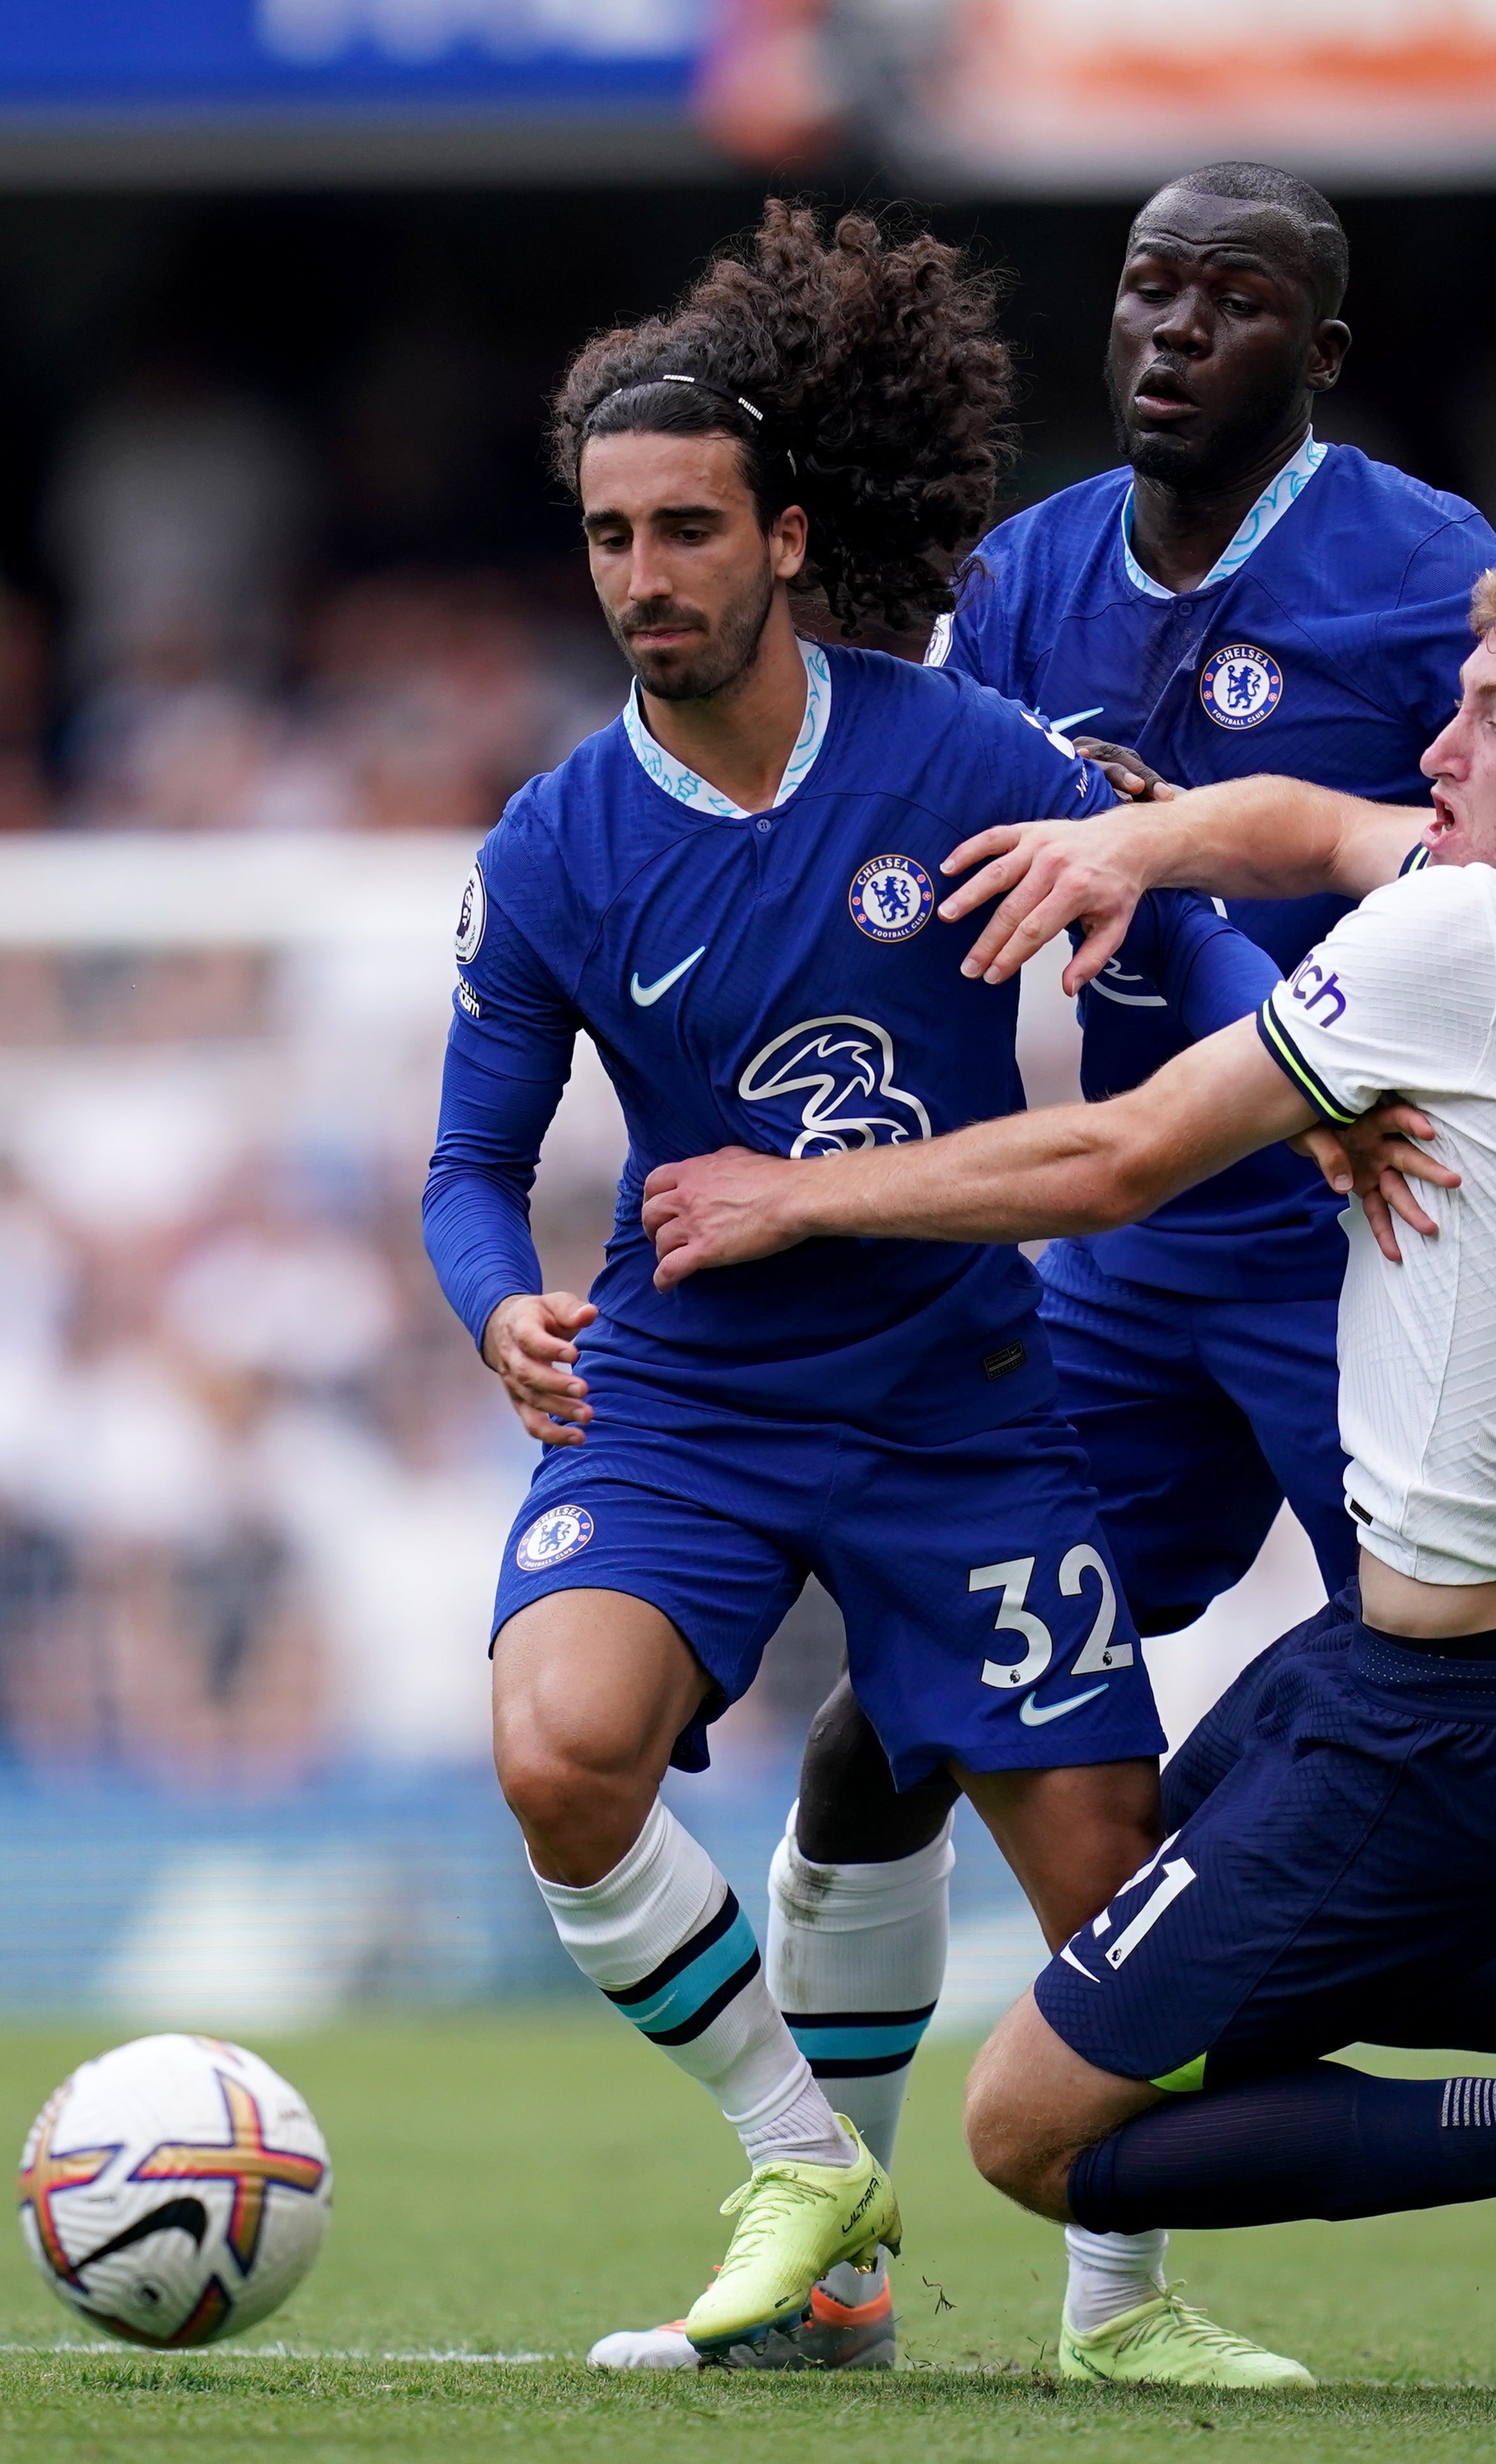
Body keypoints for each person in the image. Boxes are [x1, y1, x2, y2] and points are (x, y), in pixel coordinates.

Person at [661, 160, 1496, 2386]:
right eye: (1143, 288)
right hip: (1116, 1281)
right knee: (906, 1714)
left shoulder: (1439, 581)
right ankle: (838, 2249)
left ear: (1322, 346)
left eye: (1232, 298)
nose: (1173, 331)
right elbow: (1003, 879)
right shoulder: (1016, 583)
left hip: (1351, 1243)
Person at [420, 201, 1295, 2369]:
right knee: (560, 1753)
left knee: (1115, 1887)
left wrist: (1306, 1057)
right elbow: (469, 1165)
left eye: (688, 530)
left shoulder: (969, 763)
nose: (645, 577)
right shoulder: (549, 847)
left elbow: (1194, 958)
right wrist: (497, 1306)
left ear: (787, 538)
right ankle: (805, 2163)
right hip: (688, 1406)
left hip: (962, 1404)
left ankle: (1121, 2309)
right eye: (611, 538)